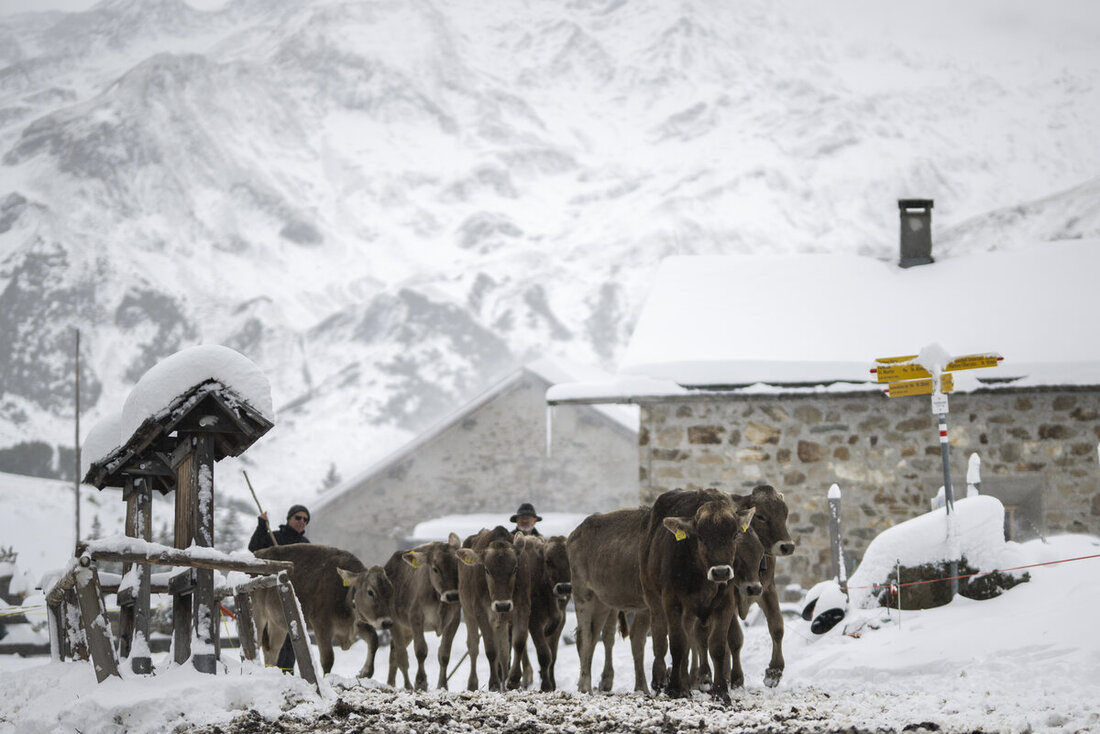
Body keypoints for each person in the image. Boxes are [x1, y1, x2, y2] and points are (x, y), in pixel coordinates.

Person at [247, 504, 310, 672]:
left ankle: (286, 674)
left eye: (305, 519)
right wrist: (261, 525)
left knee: (291, 638)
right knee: (263, 635)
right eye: (298, 518)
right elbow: (254, 547)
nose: (302, 521)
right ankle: (257, 671)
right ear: (289, 518)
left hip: (293, 596)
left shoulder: (306, 546)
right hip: (269, 595)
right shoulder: (274, 537)